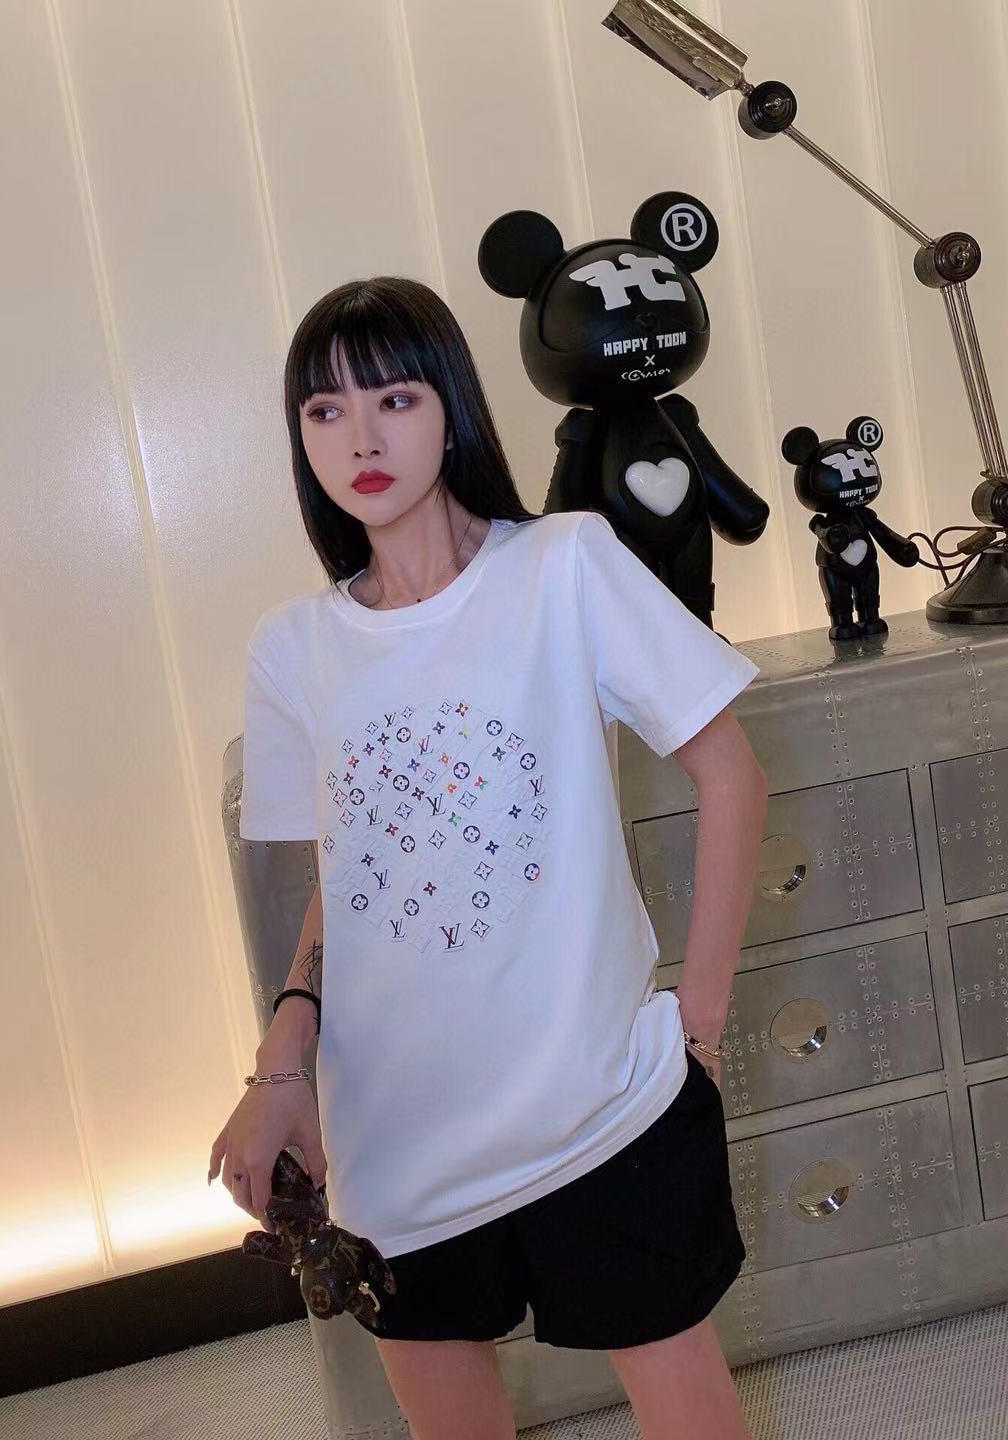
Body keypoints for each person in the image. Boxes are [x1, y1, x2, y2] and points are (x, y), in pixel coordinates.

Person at [208, 276, 768, 1440]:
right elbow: (348, 877)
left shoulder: (565, 566)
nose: (361, 440)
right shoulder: (294, 648)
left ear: (451, 409)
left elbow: (732, 776)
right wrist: (281, 1068)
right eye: (325, 411)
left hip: (598, 1109)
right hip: (398, 1138)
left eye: (395, 399)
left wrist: (699, 1022)